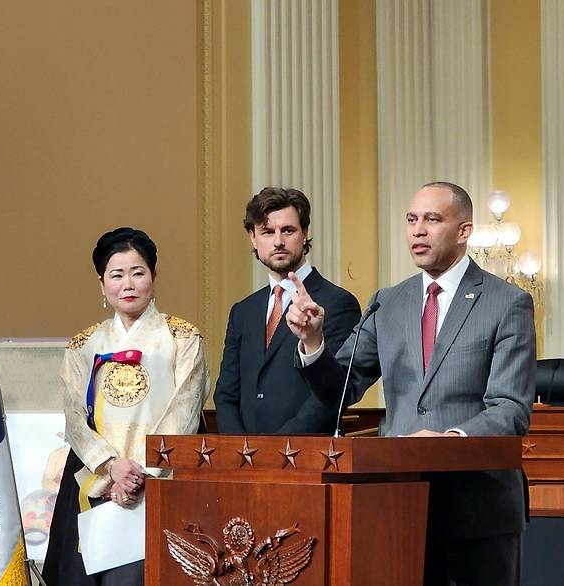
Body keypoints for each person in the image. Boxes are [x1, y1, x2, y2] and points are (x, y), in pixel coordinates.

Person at [286, 182, 536, 586]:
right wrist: (314, 341)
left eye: (432, 220)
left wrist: (446, 440)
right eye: (411, 220)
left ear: (464, 230)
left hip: (478, 508)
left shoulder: (507, 302)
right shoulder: (388, 302)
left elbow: (510, 409)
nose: (418, 230)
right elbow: (341, 389)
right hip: (395, 505)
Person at [42, 227, 210, 585]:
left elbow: (186, 410)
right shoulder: (83, 344)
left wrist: (142, 475)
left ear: (153, 276)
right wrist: (111, 467)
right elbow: (74, 417)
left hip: (163, 482)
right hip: (96, 477)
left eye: (138, 272)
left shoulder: (182, 338)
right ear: (102, 284)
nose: (128, 284)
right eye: (116, 275)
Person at [214, 187, 360, 434]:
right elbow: (226, 395)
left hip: (307, 457)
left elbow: (332, 396)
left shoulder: (337, 303)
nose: (278, 241)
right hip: (243, 462)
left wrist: (276, 451)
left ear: (305, 233)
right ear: (253, 238)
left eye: (288, 230)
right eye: (267, 232)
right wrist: (241, 453)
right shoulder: (243, 311)